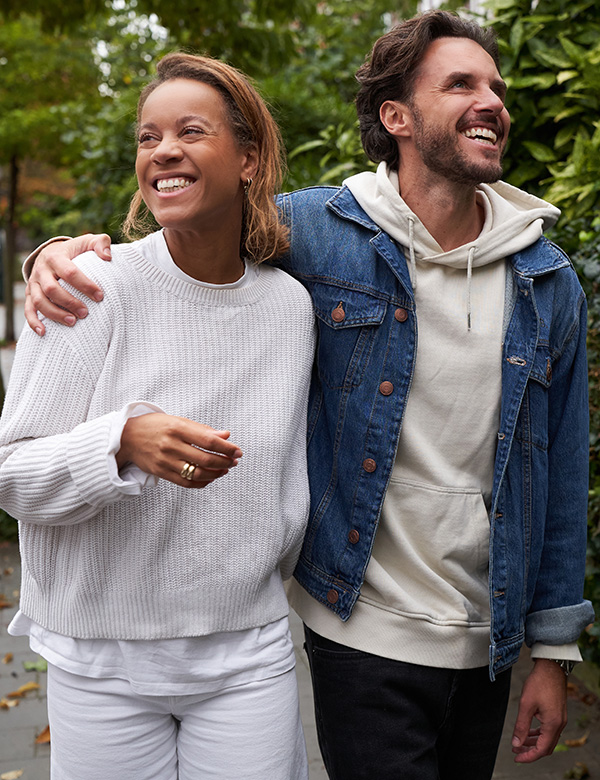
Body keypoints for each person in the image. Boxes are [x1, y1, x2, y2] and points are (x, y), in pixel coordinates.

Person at [22, 10, 593, 780]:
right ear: (396, 116)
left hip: (481, 636)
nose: (493, 100)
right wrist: (56, 254)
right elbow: (194, 225)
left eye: (496, 85)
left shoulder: (548, 279)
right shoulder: (320, 236)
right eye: (460, 83)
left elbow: (558, 476)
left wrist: (552, 648)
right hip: (356, 625)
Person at [0, 52, 315, 780]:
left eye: (191, 131)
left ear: (249, 157)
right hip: (102, 662)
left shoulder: (290, 308)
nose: (164, 150)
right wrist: (120, 443)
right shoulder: (90, 289)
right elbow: (10, 473)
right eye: (148, 137)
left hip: (248, 650)